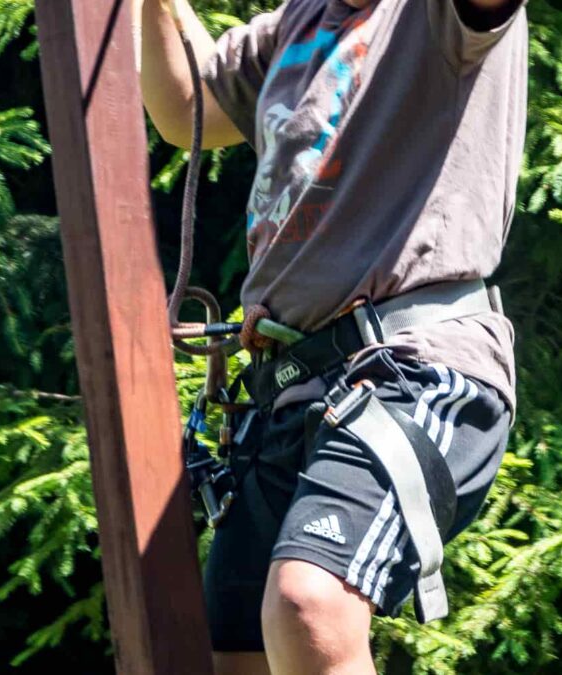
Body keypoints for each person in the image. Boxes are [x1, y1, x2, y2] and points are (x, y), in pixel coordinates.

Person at [133, 0, 526, 672]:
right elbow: (185, 107)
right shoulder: (299, 21)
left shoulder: (434, 16)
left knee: (309, 605)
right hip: (290, 391)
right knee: (235, 650)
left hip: (410, 364)